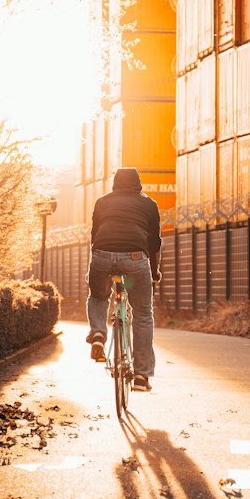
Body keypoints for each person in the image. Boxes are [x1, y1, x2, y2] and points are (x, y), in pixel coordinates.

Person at [86, 165, 161, 391]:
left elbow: (94, 236)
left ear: (115, 183)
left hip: (102, 255)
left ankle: (98, 332)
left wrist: (100, 261)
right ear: (138, 184)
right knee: (143, 314)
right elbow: (154, 243)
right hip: (135, 259)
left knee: (99, 296)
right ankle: (141, 376)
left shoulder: (102, 202)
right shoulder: (149, 204)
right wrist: (154, 273)